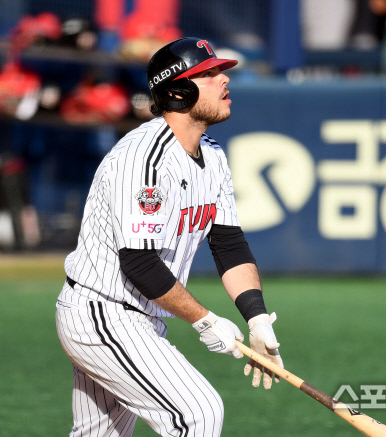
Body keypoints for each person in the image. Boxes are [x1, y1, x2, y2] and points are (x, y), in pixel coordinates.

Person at [55, 37, 283, 437]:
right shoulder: (144, 157)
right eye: (209, 74)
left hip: (137, 318)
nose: (224, 80)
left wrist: (257, 317)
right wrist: (206, 320)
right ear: (178, 90)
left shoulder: (212, 154)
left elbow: (228, 243)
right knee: (198, 412)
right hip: (102, 314)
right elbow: (139, 261)